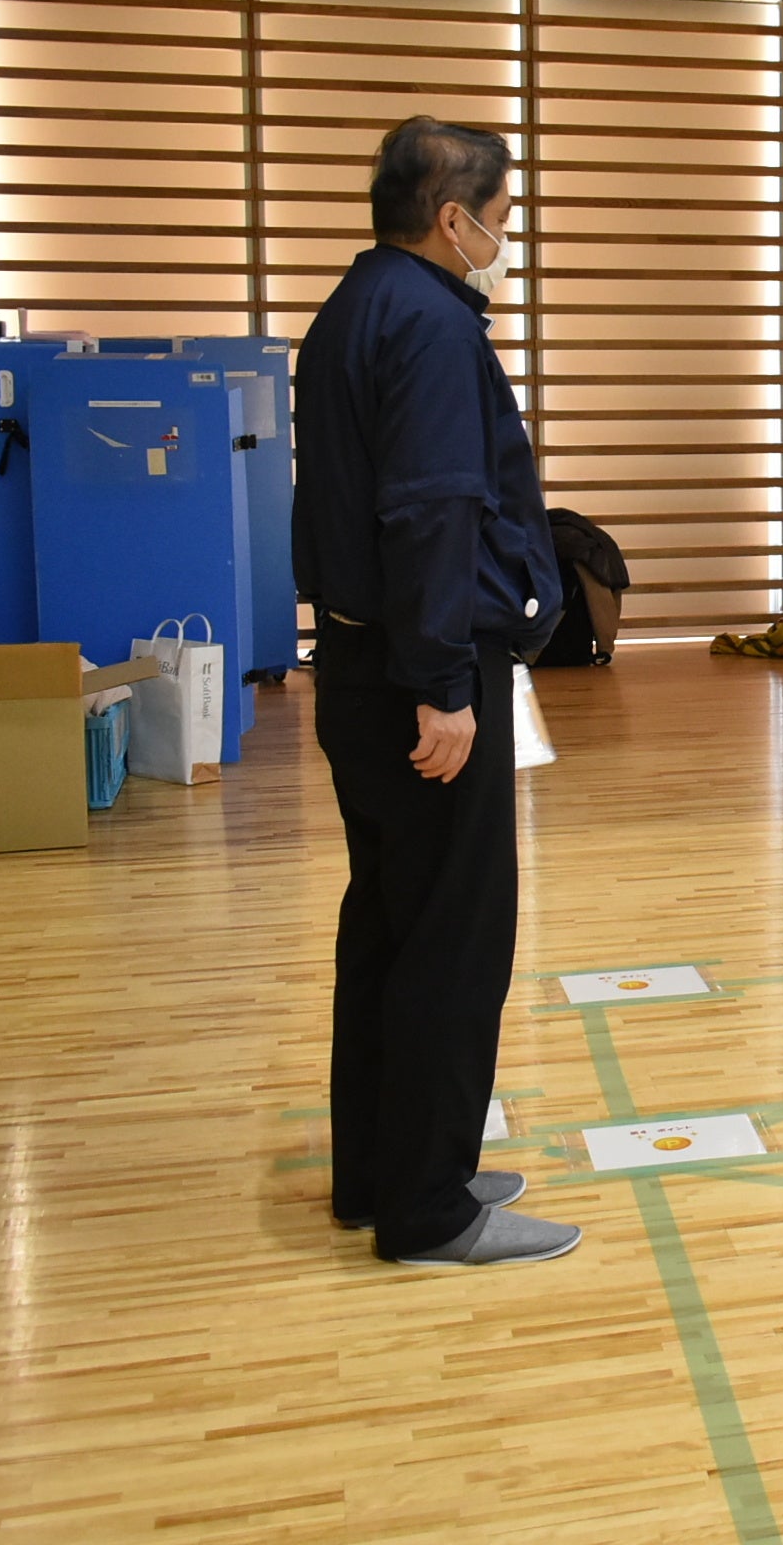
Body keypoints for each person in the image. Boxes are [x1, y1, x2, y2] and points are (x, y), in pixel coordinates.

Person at [295, 116, 575, 1266]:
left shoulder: (355, 305)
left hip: (363, 661)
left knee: (389, 923)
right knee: (454, 937)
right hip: (423, 675)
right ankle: (430, 1208)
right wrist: (444, 685)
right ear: (453, 218)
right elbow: (431, 508)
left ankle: (383, 1170)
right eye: (502, 218)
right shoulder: (429, 322)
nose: (506, 239)